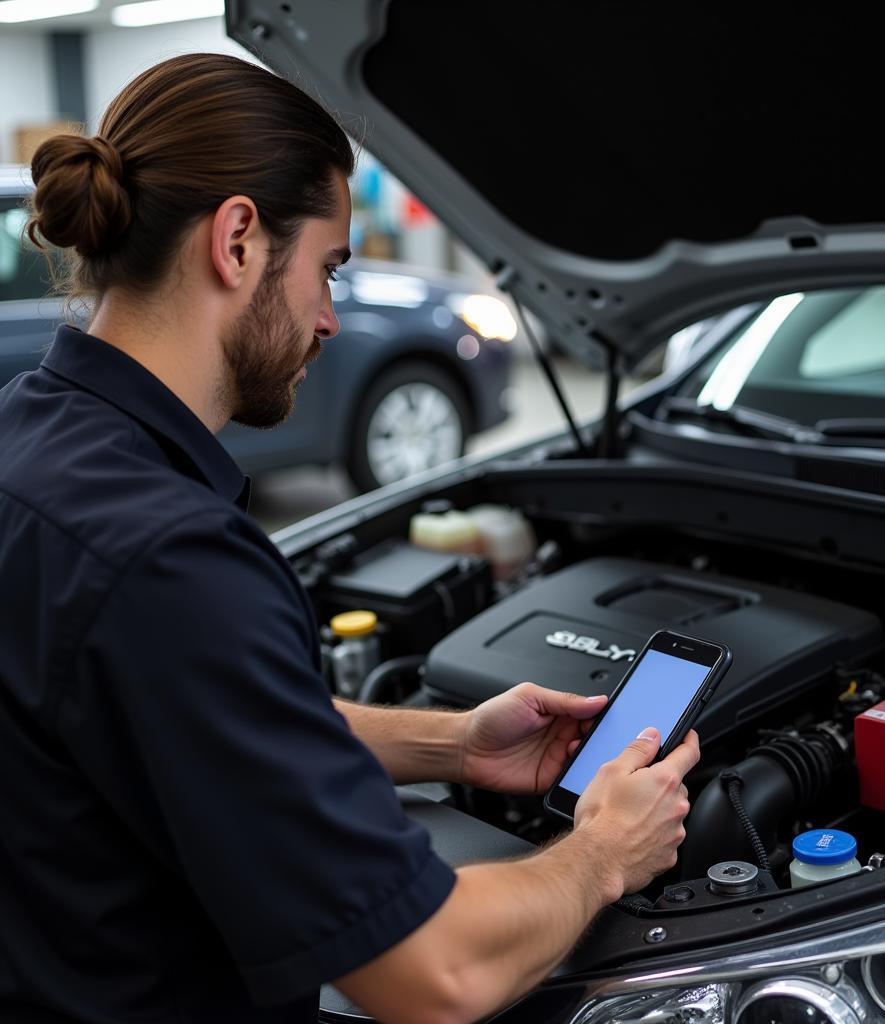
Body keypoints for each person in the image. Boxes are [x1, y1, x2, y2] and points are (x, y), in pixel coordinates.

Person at [0, 53, 700, 1024]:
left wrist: (454, 743)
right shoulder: (168, 559)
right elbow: (434, 973)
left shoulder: (25, 440)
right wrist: (601, 852)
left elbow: (195, 728)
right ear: (238, 239)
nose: (330, 318)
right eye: (327, 268)